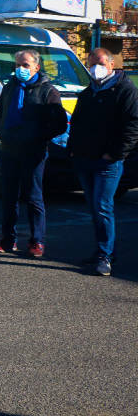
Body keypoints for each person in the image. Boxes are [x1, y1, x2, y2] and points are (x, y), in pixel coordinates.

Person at [0, 49, 67, 258]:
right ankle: (8, 239)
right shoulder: (10, 88)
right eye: (17, 65)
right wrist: (0, 132)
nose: (20, 69)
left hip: (33, 153)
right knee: (9, 197)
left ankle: (37, 241)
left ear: (36, 67)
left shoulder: (48, 91)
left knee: (33, 198)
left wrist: (38, 136)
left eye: (25, 65)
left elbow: (60, 123)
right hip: (9, 151)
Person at [67, 47, 138, 277]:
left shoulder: (124, 90)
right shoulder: (90, 92)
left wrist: (115, 153)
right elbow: (77, 123)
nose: (94, 67)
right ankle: (103, 250)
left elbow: (132, 126)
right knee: (94, 208)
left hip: (107, 162)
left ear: (110, 64)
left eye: (98, 62)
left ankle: (105, 256)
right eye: (90, 63)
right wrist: (73, 150)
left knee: (102, 206)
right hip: (85, 159)